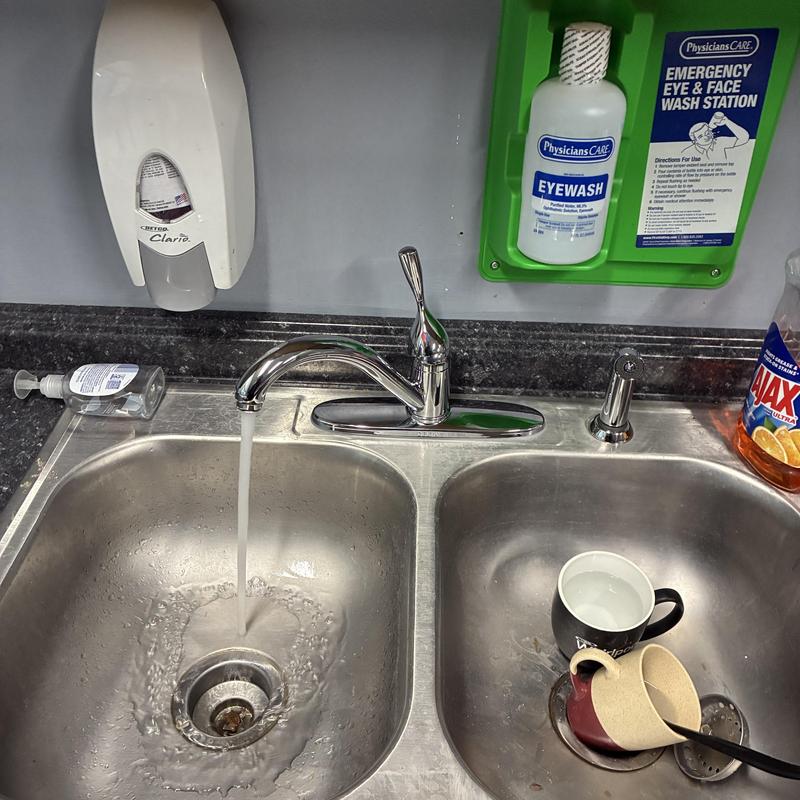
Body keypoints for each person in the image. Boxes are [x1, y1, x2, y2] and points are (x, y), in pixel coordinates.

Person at [682, 112, 750, 160]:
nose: (706, 136)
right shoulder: (687, 152)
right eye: (700, 136)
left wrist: (727, 122)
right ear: (694, 141)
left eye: (707, 132)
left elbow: (744, 138)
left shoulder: (719, 142)